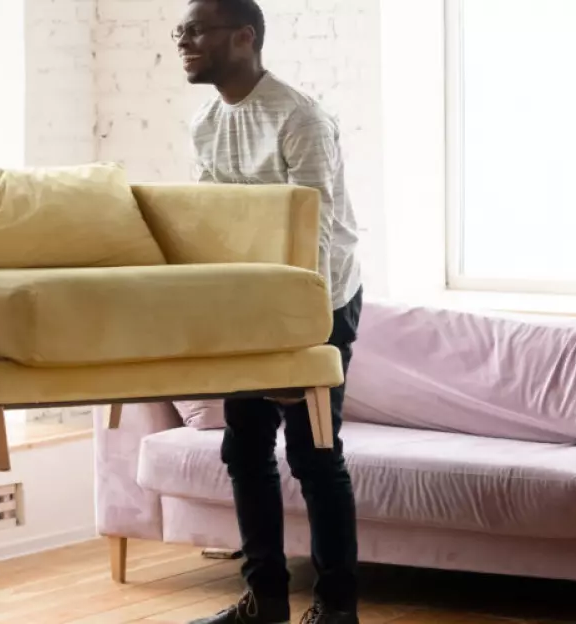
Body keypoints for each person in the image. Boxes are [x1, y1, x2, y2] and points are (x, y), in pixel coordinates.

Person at [176, 1, 364, 623]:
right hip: (250, 307)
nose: (183, 40)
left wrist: (295, 340)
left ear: (243, 37)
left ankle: (336, 610)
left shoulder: (299, 117)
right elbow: (213, 227)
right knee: (243, 449)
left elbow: (319, 234)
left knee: (314, 453)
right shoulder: (205, 121)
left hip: (319, 302)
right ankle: (267, 601)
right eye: (180, 31)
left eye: (196, 30)